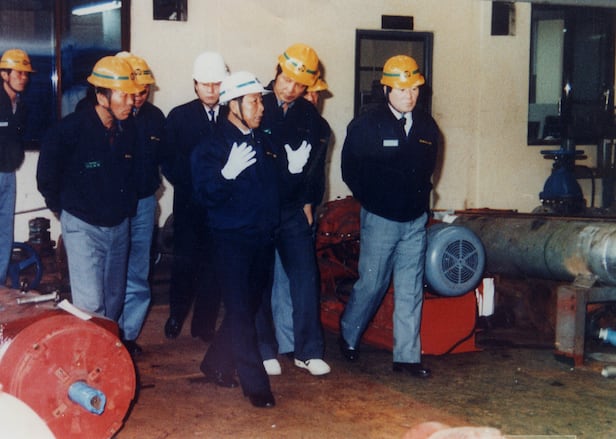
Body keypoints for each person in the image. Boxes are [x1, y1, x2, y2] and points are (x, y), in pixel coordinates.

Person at [191, 71, 308, 408]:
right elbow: (204, 197)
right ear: (234, 105)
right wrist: (224, 176)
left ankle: (215, 362)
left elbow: (277, 191)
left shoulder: (263, 142)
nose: (261, 108)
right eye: (254, 101)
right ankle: (256, 385)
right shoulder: (211, 147)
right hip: (231, 241)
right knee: (242, 312)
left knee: (249, 305)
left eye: (260, 101)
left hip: (262, 238)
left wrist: (293, 172)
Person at [339, 55, 439, 378]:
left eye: (414, 89)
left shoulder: (427, 126)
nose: (409, 96)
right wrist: (373, 200)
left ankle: (407, 357)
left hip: (414, 220)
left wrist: (421, 203)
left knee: (410, 288)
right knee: (372, 283)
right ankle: (348, 335)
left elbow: (428, 169)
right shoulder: (366, 125)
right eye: (402, 89)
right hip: (381, 218)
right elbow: (350, 170)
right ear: (386, 90)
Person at [37, 55, 141, 320]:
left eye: (132, 94)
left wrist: (126, 208)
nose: (131, 101)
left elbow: (134, 175)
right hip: (83, 227)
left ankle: (108, 346)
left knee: (114, 300)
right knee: (91, 305)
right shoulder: (69, 131)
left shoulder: (128, 130)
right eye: (123, 95)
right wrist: (61, 209)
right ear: (102, 97)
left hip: (118, 228)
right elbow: (47, 176)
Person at [257, 43, 330, 377]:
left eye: (299, 85)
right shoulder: (255, 104)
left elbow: (314, 167)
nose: (290, 89)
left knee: (304, 278)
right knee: (259, 280)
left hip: (291, 209)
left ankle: (308, 351)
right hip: (258, 207)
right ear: (276, 73)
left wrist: (308, 202)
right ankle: (263, 349)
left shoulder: (310, 117)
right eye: (286, 80)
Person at [161, 51, 228, 341]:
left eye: (217, 84)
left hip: (222, 207)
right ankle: (176, 315)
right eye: (205, 84)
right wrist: (196, 184)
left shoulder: (232, 113)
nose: (211, 90)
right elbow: (169, 160)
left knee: (214, 266)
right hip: (190, 204)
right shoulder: (179, 117)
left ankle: (204, 325)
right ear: (195, 85)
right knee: (185, 262)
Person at [270, 76, 332, 359]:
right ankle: (285, 341)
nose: (312, 100)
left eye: (316, 95)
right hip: (276, 209)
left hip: (301, 209)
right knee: (279, 279)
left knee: (298, 278)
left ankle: (297, 343)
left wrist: (309, 203)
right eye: (309, 94)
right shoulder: (275, 115)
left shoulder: (320, 128)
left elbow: (316, 172)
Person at [115, 52, 166, 355]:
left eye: (144, 91)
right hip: (113, 206)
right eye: (134, 91)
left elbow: (164, 159)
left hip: (144, 203)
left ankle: (128, 334)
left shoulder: (155, 118)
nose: (139, 97)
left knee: (137, 270)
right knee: (112, 272)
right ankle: (110, 333)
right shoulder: (106, 115)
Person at [0, 49, 33, 287]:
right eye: (19, 73)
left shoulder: (21, 105)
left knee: (5, 231)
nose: (24, 78)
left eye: (26, 74)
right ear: (4, 74)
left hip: (8, 173)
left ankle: (0, 284)